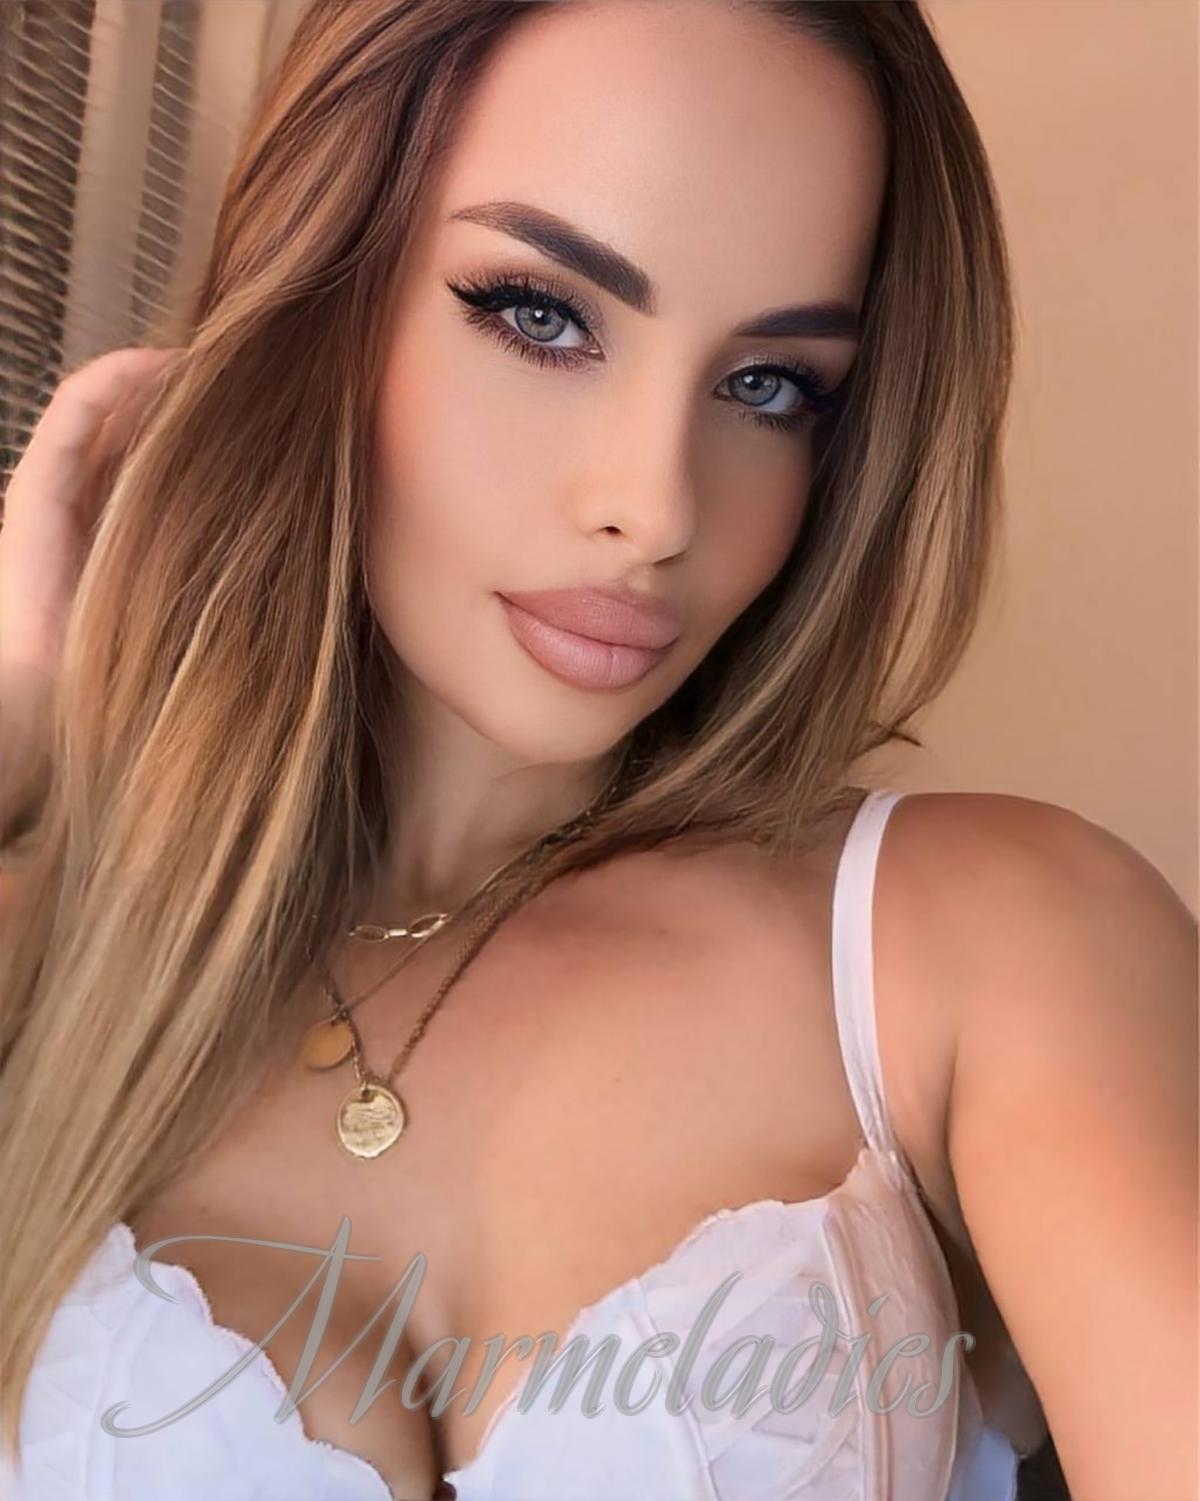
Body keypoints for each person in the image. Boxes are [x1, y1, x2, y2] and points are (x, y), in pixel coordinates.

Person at [0, 1, 1194, 1498]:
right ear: (325, 300)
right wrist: (30, 720)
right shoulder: (50, 947)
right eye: (542, 315)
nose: (657, 506)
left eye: (770, 384)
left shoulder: (983, 941)